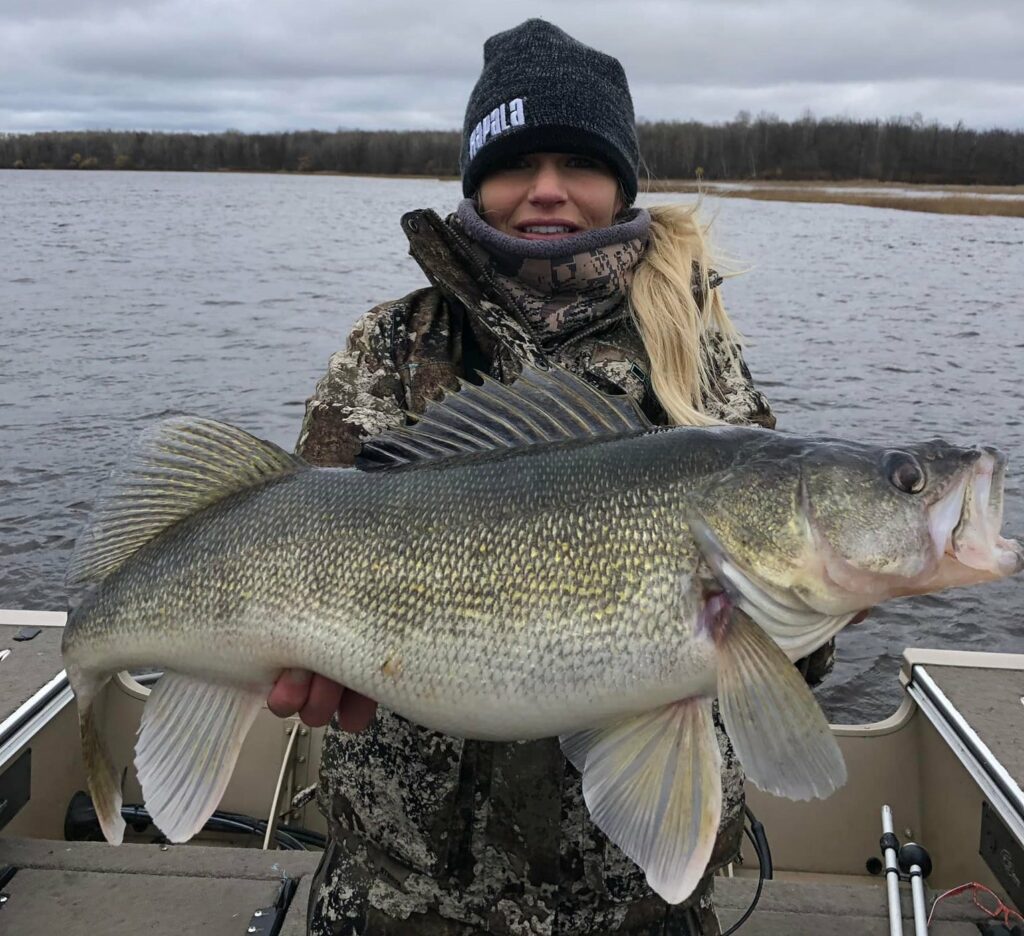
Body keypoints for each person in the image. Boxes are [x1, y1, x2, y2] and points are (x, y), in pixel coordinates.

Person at [267, 19, 834, 935]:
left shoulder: (697, 353)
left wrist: (826, 606)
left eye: (577, 162)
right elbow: (304, 533)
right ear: (476, 180)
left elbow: (791, 658)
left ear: (619, 183)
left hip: (633, 898)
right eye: (516, 163)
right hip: (406, 890)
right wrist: (306, 656)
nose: (547, 191)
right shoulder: (391, 346)